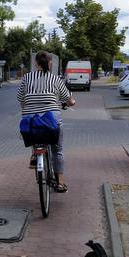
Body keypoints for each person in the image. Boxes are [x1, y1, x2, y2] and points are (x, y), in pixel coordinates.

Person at [17, 51, 76, 193]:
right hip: (51, 119)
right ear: (50, 63)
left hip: (30, 118)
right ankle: (60, 183)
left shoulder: (26, 78)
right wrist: (71, 102)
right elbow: (68, 99)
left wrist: (27, 110)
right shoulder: (55, 79)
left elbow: (20, 98)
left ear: (35, 63)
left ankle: (34, 154)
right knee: (58, 150)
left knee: (34, 131)